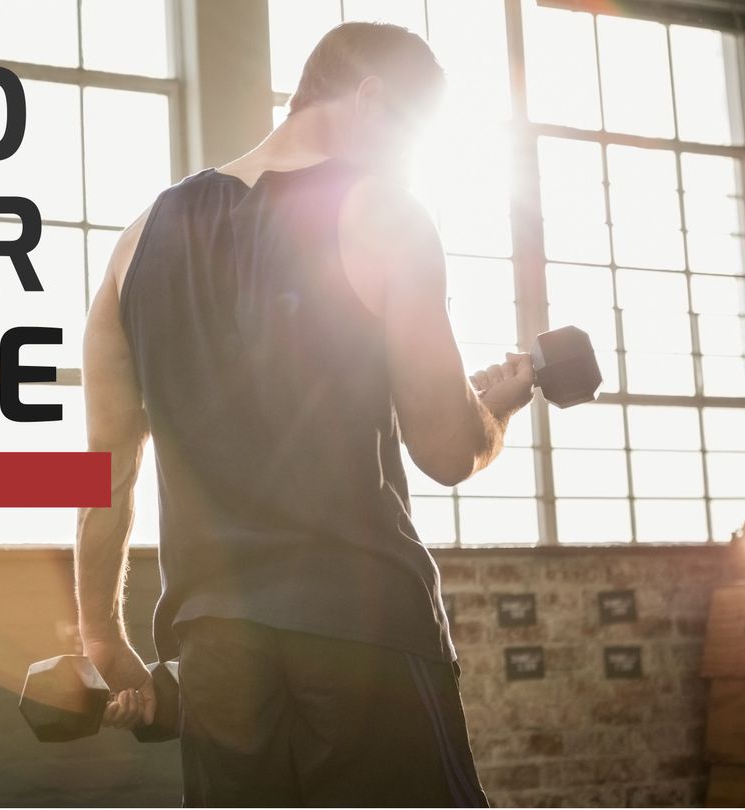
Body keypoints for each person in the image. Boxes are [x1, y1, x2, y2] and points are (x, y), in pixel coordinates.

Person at [74, 21, 533, 807]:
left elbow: (102, 477)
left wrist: (102, 638)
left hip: (217, 651)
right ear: (372, 98)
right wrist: (496, 413)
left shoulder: (135, 243)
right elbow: (445, 450)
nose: (406, 163)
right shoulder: (386, 214)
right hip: (364, 630)